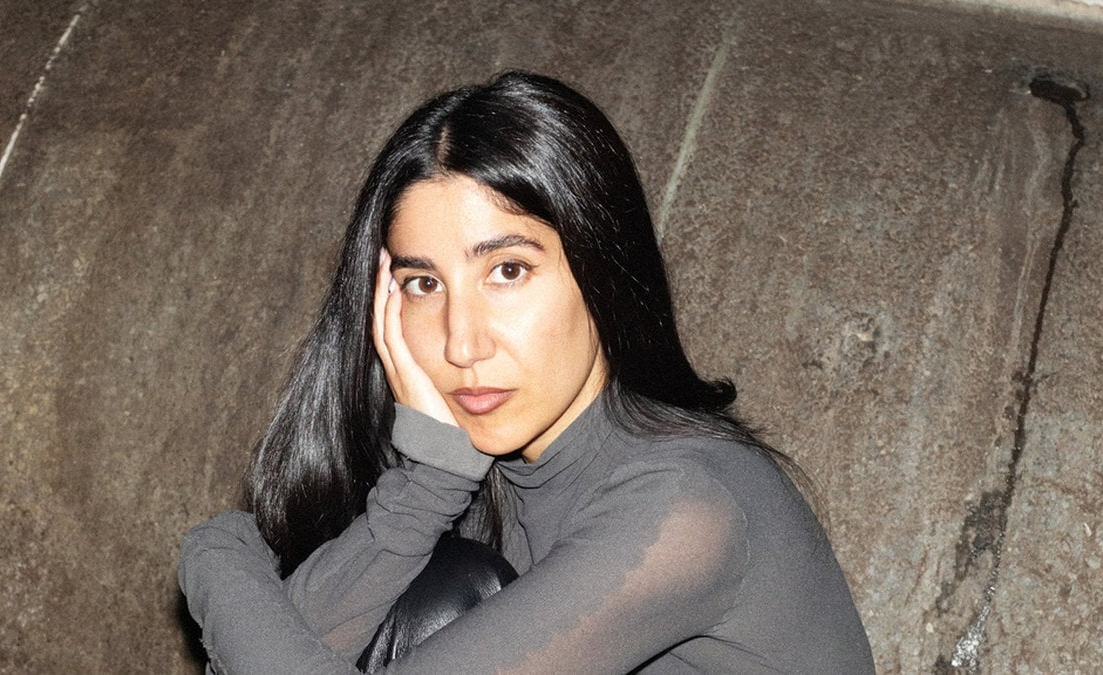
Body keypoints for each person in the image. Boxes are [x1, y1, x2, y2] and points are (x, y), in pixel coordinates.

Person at [179, 71, 874, 673]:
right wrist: (430, 479)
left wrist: (216, 557)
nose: (462, 342)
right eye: (424, 284)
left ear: (602, 270)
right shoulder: (491, 477)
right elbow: (268, 649)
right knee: (439, 589)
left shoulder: (686, 508)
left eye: (507, 271)